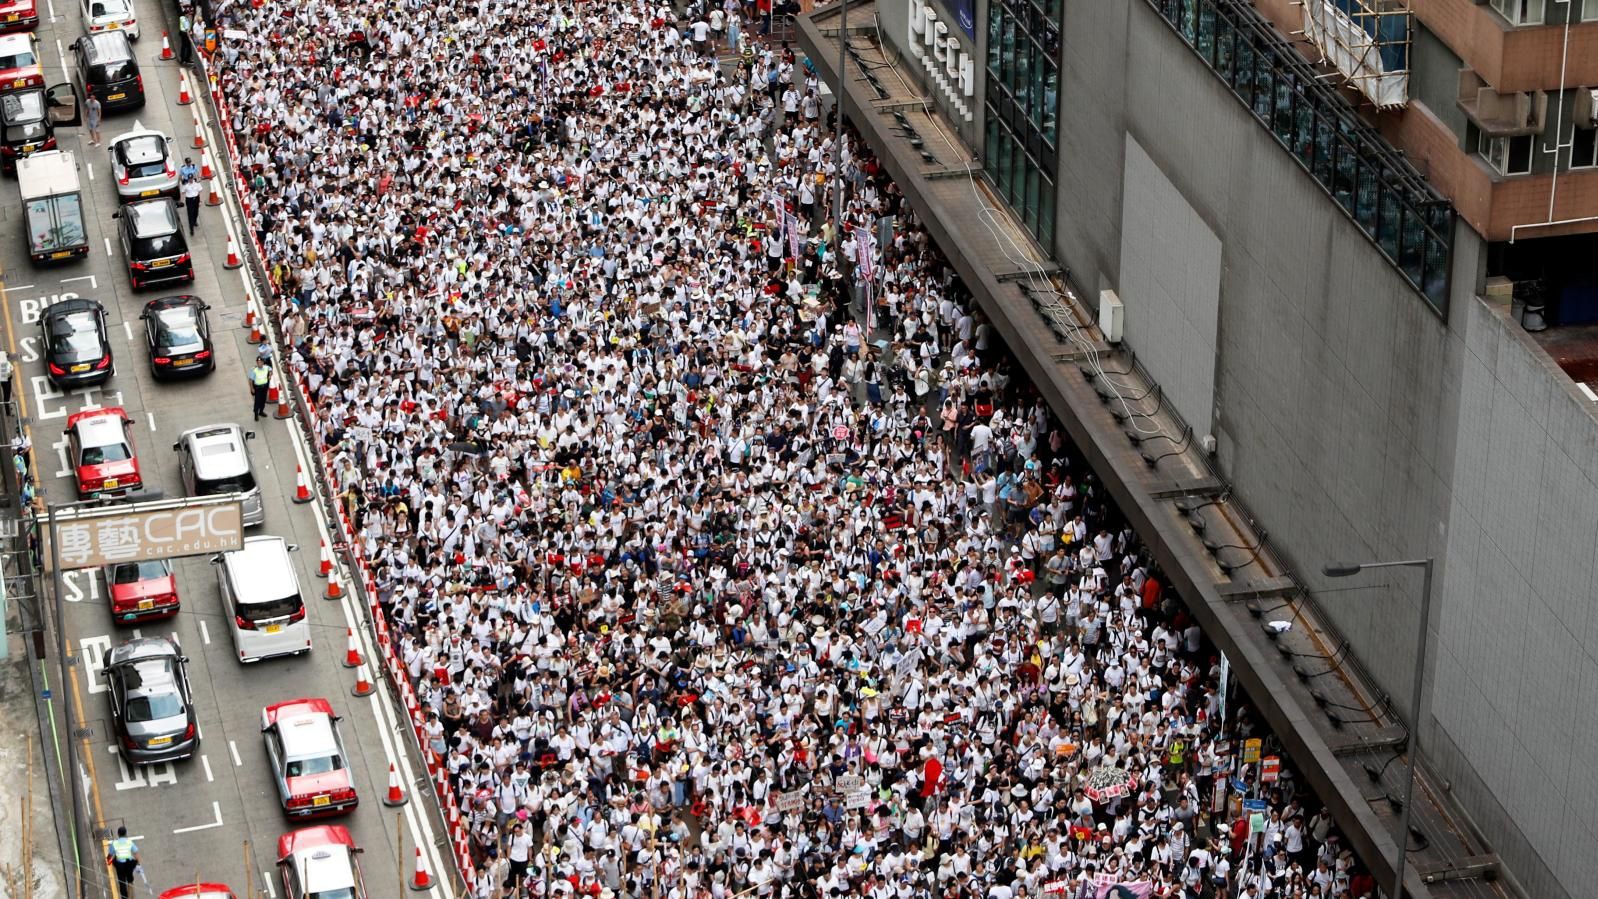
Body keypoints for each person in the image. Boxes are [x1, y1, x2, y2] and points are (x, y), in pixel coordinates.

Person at [107, 826, 140, 898]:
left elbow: (110, 855)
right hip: (129, 864)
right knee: (130, 881)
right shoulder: (129, 842)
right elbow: (136, 853)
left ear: (118, 834)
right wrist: (138, 864)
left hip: (120, 866)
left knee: (122, 883)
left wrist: (108, 861)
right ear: (126, 834)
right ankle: (131, 896)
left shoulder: (114, 843)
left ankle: (124, 897)